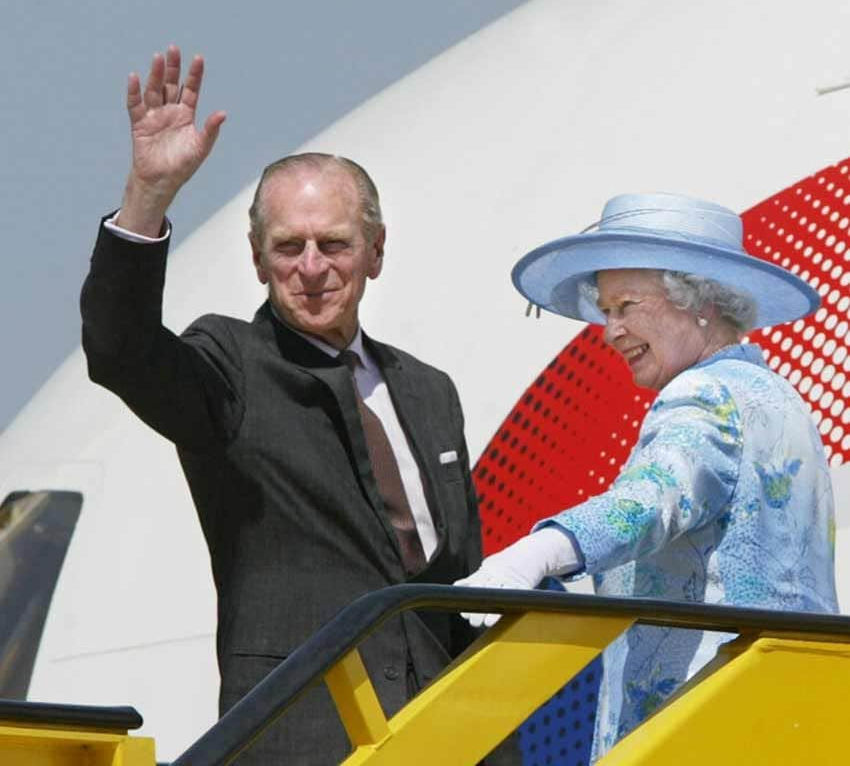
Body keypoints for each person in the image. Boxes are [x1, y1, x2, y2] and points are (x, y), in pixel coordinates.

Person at [80, 45, 493, 764]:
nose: (310, 269)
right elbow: (121, 351)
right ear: (257, 259)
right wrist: (148, 197)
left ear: (375, 251)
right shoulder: (233, 367)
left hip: (448, 735)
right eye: (287, 247)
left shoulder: (429, 391)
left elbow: (450, 578)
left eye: (333, 244)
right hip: (302, 738)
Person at [456, 192, 839, 760]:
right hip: (789, 719)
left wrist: (533, 555)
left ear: (700, 302)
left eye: (626, 306)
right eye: (606, 310)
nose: (609, 331)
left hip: (700, 726)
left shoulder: (703, 394)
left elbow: (649, 500)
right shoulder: (775, 396)